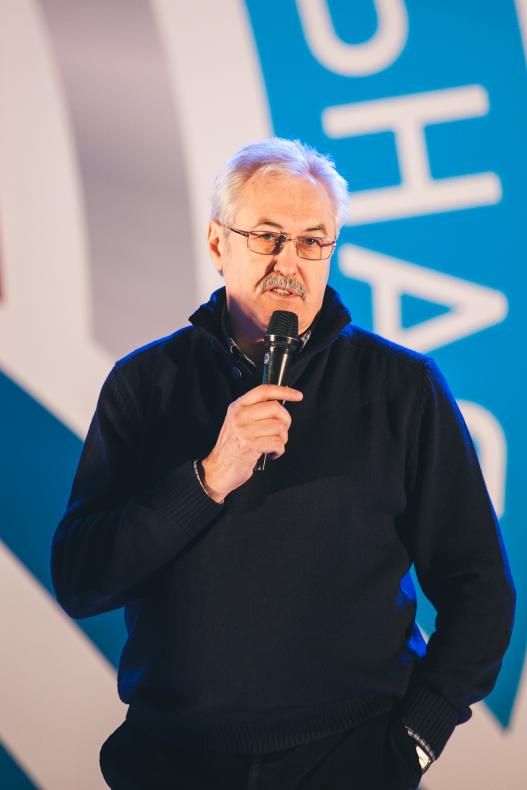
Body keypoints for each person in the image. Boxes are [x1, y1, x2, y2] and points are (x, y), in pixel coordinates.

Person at [51, 137, 516, 790]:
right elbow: (81, 579)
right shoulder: (145, 384)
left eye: (311, 241)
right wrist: (208, 478)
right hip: (174, 762)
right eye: (267, 236)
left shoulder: (402, 388)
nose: (288, 262)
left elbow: (480, 588)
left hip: (350, 760)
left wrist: (417, 738)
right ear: (218, 244)